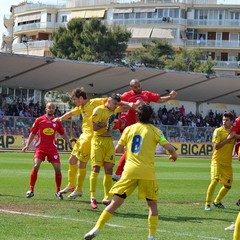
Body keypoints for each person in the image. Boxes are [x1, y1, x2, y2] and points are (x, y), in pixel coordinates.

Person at [84, 104, 178, 240]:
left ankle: (96, 228)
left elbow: (118, 149)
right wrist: (173, 155)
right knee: (152, 205)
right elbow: (168, 147)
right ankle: (151, 237)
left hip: (130, 171)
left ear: (137, 115)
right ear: (151, 116)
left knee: (115, 203)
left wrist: (129, 150)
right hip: (147, 172)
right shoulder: (155, 131)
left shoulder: (129, 129)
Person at [112, 79, 177, 181]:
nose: (137, 88)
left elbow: (159, 99)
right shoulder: (127, 95)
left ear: (140, 85)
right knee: (123, 123)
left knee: (129, 150)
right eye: (135, 87)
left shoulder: (146, 94)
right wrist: (128, 104)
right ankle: (113, 123)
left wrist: (170, 97)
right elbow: (116, 100)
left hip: (139, 123)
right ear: (131, 88)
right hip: (128, 119)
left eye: (138, 86)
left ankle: (119, 172)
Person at [55, 88, 107, 199]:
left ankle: (78, 189)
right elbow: (70, 113)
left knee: (81, 164)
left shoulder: (93, 102)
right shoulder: (81, 107)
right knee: (72, 160)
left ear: (81, 98)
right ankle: (71, 185)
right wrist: (60, 119)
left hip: (89, 138)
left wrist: (124, 102)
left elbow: (109, 100)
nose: (74, 101)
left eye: (75, 99)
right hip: (82, 137)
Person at [89, 93, 137, 209]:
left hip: (109, 141)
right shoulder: (98, 110)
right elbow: (94, 127)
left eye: (117, 104)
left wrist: (128, 102)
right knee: (96, 168)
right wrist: (107, 123)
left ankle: (106, 197)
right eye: (114, 103)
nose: (116, 106)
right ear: (109, 100)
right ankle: (93, 197)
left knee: (109, 168)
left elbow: (129, 107)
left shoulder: (113, 110)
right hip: (98, 141)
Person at [22, 102, 71, 200]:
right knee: (36, 166)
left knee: (58, 169)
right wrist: (27, 145)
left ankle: (58, 191)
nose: (51, 109)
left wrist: (68, 142)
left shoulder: (57, 121)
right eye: (49, 107)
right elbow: (32, 133)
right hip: (40, 148)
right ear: (46, 109)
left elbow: (62, 133)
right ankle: (31, 190)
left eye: (53, 108)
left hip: (52, 148)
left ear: (54, 109)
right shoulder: (39, 120)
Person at [204, 111, 236, 211]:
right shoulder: (217, 131)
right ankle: (207, 204)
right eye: (223, 120)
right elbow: (216, 147)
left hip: (228, 163)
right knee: (214, 180)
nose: (224, 122)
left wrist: (233, 136)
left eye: (227, 120)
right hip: (217, 161)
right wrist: (228, 138)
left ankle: (217, 201)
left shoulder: (234, 132)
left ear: (231, 121)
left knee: (228, 185)